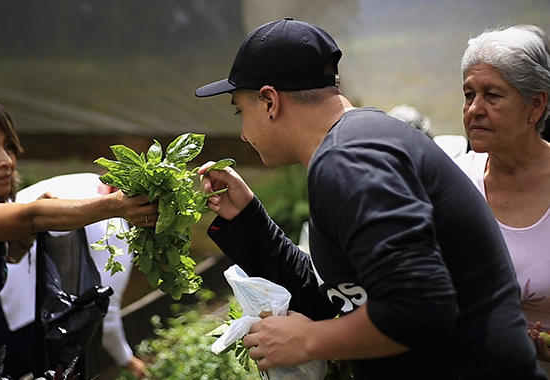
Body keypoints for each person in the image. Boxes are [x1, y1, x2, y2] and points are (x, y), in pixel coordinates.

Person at [194, 18, 545, 379]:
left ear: (269, 101)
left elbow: (420, 307)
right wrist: (248, 220)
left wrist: (310, 340)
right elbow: (343, 297)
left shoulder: (349, 161)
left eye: (241, 110)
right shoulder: (355, 147)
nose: (241, 133)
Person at [0, 97, 157, 380]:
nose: (7, 160)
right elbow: (30, 217)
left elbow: (12, 250)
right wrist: (116, 205)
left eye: (8, 146)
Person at [0, 172, 148, 379]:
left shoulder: (89, 181)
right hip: (14, 314)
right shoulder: (114, 235)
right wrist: (126, 359)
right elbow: (106, 313)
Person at [453, 24, 550, 375]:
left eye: (492, 95)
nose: (474, 109)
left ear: (535, 105)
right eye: (468, 94)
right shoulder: (454, 182)